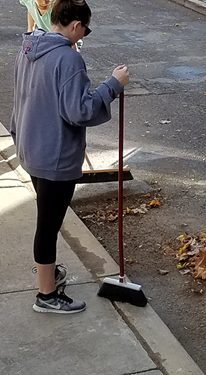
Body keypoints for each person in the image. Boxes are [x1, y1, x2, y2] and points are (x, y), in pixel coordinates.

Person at [10, 0, 129, 314]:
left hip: (31, 148)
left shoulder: (29, 47)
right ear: (75, 25)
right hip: (55, 157)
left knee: (47, 218)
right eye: (85, 29)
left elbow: (21, 96)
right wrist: (113, 85)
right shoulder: (68, 59)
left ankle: (48, 272)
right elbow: (81, 111)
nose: (84, 35)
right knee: (48, 225)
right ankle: (46, 294)